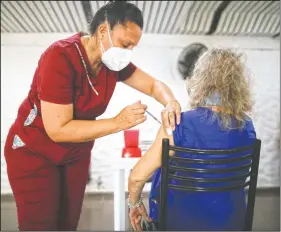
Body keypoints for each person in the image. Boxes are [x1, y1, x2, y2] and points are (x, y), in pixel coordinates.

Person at [4, 1, 181, 231]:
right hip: (34, 151)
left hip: (75, 153)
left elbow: (154, 85)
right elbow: (58, 129)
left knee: (67, 224)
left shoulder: (112, 65)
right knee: (41, 225)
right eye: (125, 44)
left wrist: (171, 101)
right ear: (103, 31)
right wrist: (119, 122)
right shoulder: (60, 56)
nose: (127, 52)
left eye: (132, 47)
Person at [128, 48, 256, 231]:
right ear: (238, 85)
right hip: (232, 222)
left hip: (179, 223)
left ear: (200, 80)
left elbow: (136, 178)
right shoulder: (248, 126)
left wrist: (134, 204)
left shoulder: (178, 122)